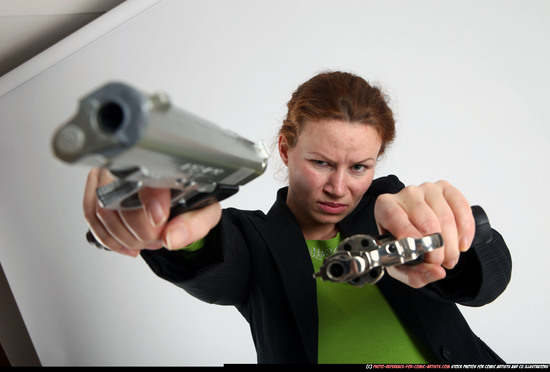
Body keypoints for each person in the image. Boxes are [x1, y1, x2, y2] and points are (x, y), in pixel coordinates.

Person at [83, 71, 512, 364]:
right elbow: (209, 254)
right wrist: (168, 212)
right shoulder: (252, 239)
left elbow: (490, 279)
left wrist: (458, 236)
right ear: (286, 150)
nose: (339, 188)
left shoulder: (399, 211)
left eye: (359, 167)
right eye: (322, 163)